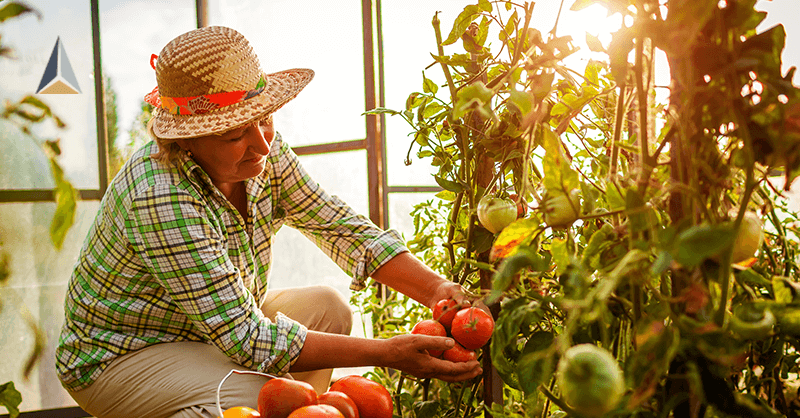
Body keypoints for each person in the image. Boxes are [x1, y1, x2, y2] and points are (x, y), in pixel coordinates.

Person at [55, 26, 482, 418]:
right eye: (233, 134)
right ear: (184, 138)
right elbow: (245, 336)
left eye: (264, 119)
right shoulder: (159, 193)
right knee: (259, 396)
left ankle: (309, 410)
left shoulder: (263, 153)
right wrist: (388, 353)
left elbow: (339, 225)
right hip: (121, 356)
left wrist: (435, 290)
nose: (262, 142)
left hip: (207, 327)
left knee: (328, 310)